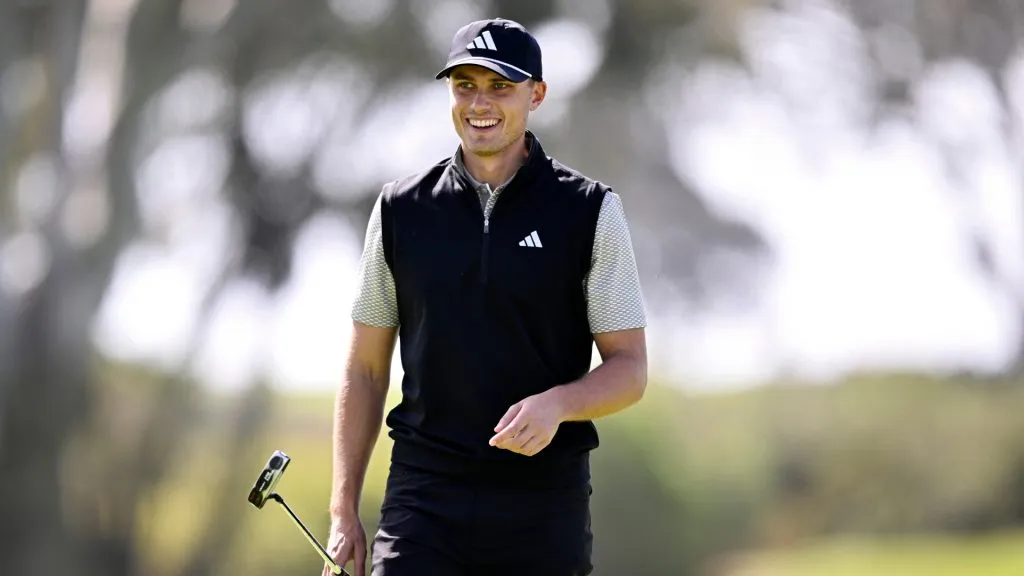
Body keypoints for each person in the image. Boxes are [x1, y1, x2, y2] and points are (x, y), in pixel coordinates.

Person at [322, 17, 648, 576]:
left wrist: (558, 404)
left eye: (501, 86)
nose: (480, 102)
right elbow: (367, 370)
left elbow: (630, 369)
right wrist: (342, 509)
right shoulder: (402, 210)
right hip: (423, 500)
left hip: (543, 505)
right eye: (465, 84)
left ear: (536, 94)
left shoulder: (589, 210)